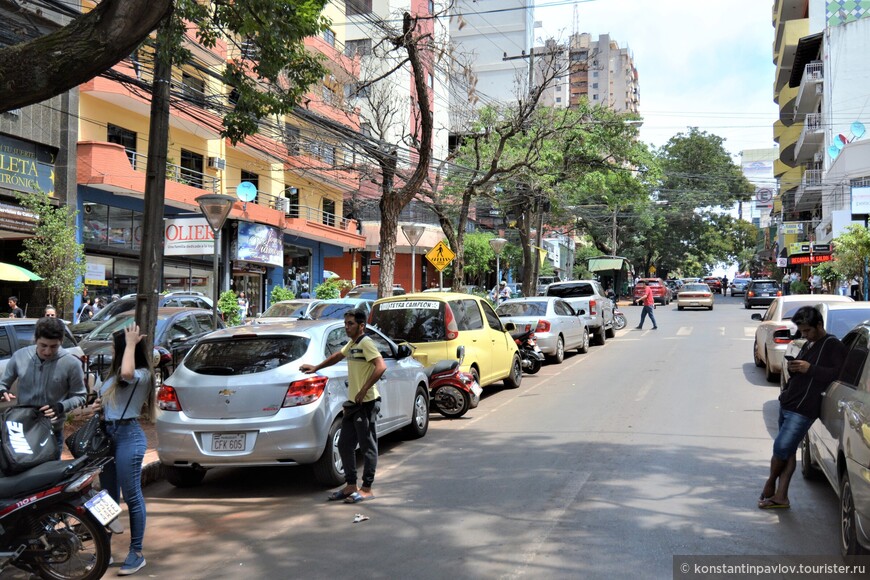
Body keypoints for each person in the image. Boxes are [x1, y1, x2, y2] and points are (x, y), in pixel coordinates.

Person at [758, 306, 846, 510]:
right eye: (802, 331)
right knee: (787, 452)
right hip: (789, 402)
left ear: (819, 325)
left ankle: (770, 484)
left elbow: (839, 375)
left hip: (803, 409)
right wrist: (795, 367)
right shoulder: (809, 344)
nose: (804, 335)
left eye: (807, 331)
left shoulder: (833, 345)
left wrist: (810, 369)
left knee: (780, 448)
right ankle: (781, 496)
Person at [300, 309, 386, 504]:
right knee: (344, 444)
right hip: (354, 403)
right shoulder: (353, 343)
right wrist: (316, 368)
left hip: (367, 403)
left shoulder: (366, 343)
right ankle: (350, 485)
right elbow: (338, 355)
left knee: (367, 446)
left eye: (350, 324)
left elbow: (381, 366)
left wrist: (364, 390)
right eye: (346, 323)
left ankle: (366, 488)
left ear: (361, 326)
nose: (347, 327)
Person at [93, 324, 155, 575]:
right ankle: (104, 549)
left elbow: (127, 374)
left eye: (112, 346)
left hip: (129, 436)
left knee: (132, 497)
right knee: (105, 496)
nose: (110, 350)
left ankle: (136, 552)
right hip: (107, 436)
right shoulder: (111, 375)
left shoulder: (141, 374)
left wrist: (130, 343)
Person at [0, 317, 87, 456]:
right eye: (43, 345)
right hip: (22, 430)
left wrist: (61, 406)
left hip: (52, 431)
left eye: (54, 347)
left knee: (49, 476)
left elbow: (81, 396)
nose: (47, 352)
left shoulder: (71, 363)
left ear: (61, 341)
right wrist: (3, 391)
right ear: (35, 339)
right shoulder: (20, 356)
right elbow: (3, 383)